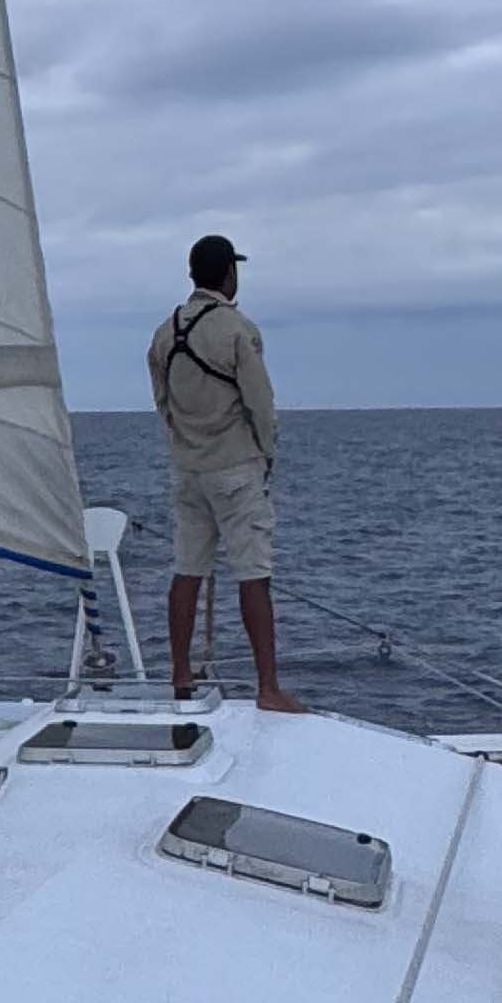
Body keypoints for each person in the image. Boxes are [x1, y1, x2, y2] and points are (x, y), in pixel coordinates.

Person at [147, 234, 303, 712]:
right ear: (228, 274)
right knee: (254, 574)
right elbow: (260, 404)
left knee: (187, 571)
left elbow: (163, 403)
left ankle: (180, 674)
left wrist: (186, 443)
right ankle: (268, 689)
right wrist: (266, 453)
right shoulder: (238, 330)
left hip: (187, 470)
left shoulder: (165, 333)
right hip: (235, 469)